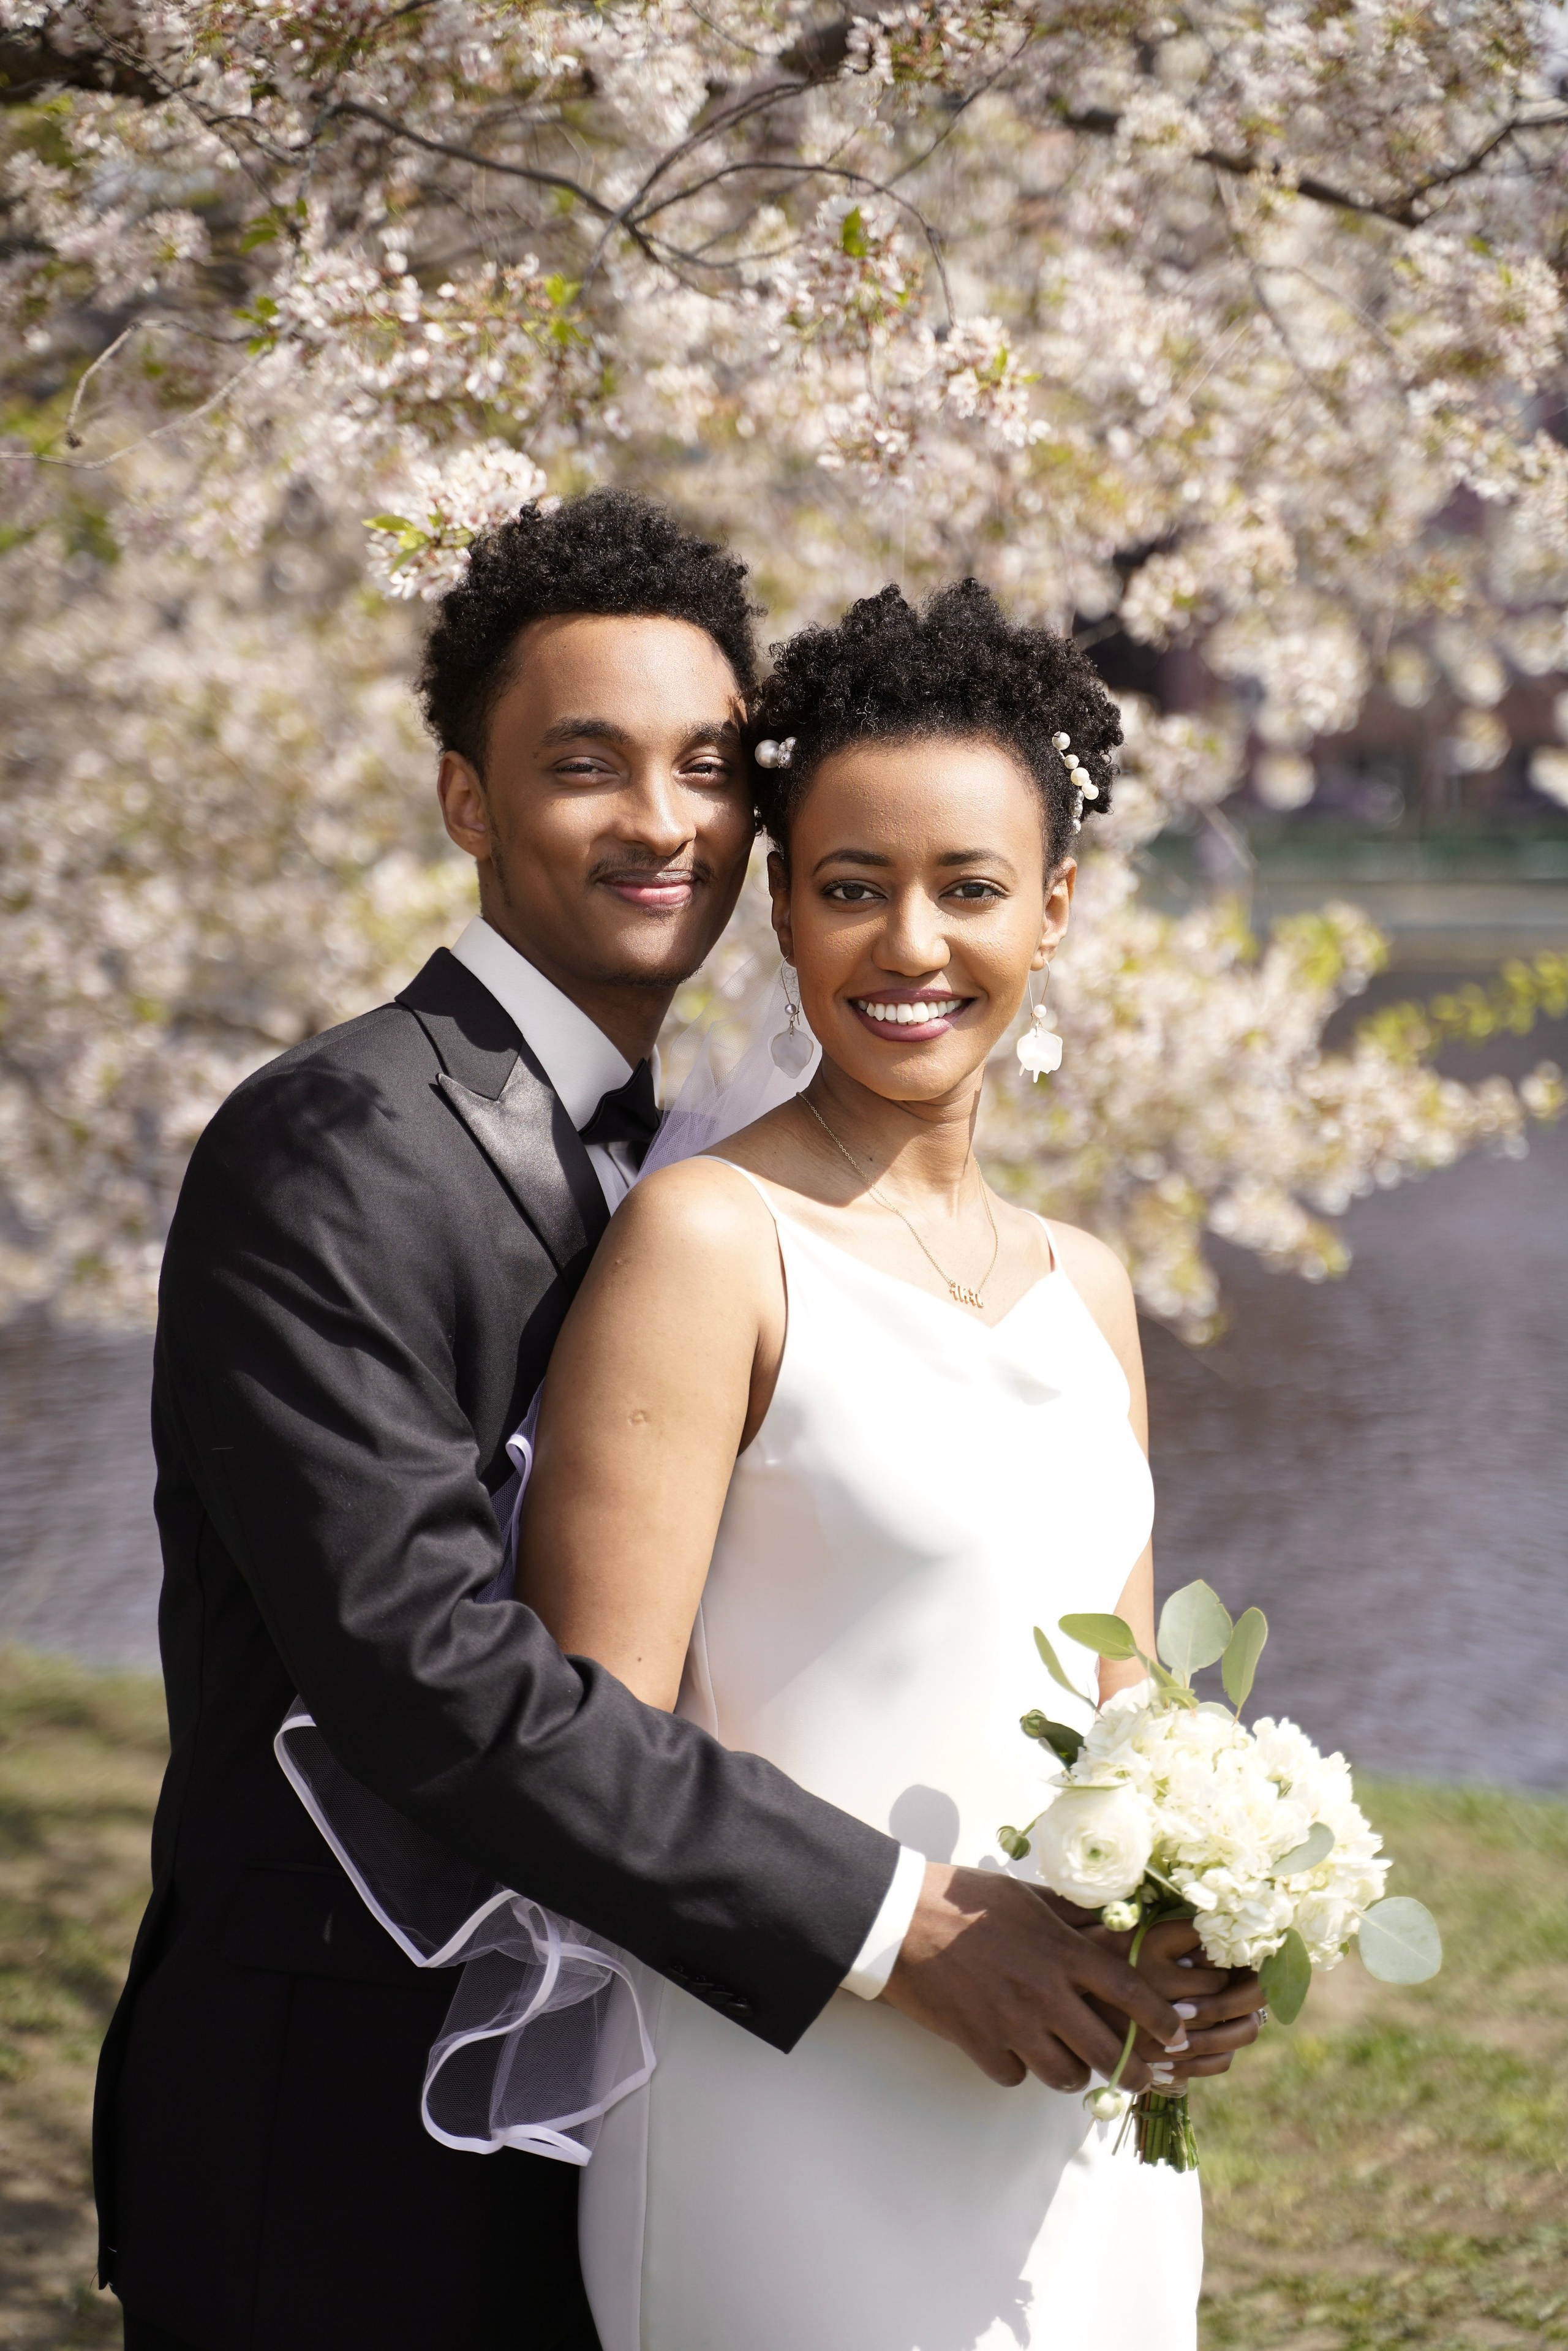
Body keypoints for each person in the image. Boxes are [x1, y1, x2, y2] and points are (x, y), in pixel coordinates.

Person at [96, 499, 1191, 2351]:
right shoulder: (337, 1148)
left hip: (657, 2076)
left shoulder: (680, 1156)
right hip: (342, 2121)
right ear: (467, 802)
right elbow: (432, 1670)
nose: (664, 820)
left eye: (705, 764)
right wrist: (904, 1926)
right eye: (584, 766)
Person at [505, 579, 1265, 2350]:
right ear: (781, 904)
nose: (910, 944)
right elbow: (585, 1742)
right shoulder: (710, 1243)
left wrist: (1205, 1924)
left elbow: (1125, 1723)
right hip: (788, 2084)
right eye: (853, 886)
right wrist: (906, 1944)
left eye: (970, 887)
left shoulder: (1093, 1289)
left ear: (1057, 907)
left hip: (1074, 2111)